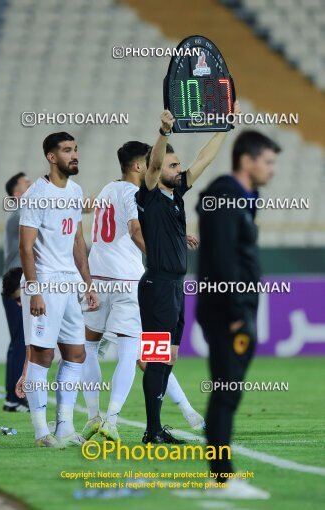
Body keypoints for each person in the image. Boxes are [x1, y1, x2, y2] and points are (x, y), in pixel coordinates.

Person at [81, 137, 205, 442]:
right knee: (142, 354)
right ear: (139, 165)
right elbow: (137, 230)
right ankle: (112, 420)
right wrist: (160, 254)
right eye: (149, 162)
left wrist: (174, 237)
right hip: (131, 280)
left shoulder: (109, 189)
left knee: (90, 348)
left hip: (98, 277)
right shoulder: (135, 193)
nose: (153, 166)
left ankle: (93, 416)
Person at [136, 104, 240, 444]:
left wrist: (224, 127)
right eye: (173, 165)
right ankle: (152, 431)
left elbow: (203, 160)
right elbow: (153, 165)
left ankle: (155, 427)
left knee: (169, 358)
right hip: (157, 286)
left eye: (179, 165)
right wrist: (164, 133)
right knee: (156, 358)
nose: (180, 170)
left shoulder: (176, 194)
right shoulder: (149, 195)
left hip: (175, 288)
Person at [196, 130, 280, 498]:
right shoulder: (222, 196)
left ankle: (222, 475)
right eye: (268, 161)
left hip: (241, 307)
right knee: (225, 392)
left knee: (229, 391)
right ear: (247, 160)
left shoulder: (247, 198)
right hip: (227, 309)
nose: (272, 170)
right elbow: (223, 258)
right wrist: (233, 310)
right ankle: (220, 478)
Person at [19, 131, 97, 448]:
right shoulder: (37, 194)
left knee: (76, 353)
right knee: (43, 354)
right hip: (45, 281)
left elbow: (78, 241)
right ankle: (41, 432)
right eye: (67, 150)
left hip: (69, 283)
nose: (74, 155)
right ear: (52, 157)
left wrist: (88, 283)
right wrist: (35, 290)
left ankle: (64, 427)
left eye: (75, 149)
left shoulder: (76, 191)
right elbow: (26, 248)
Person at [2, 172, 31, 412]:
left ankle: (13, 395)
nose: (31, 184)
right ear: (17, 194)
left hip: (18, 283)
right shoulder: (22, 214)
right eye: (26, 183)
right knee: (21, 340)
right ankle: (14, 396)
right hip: (16, 285)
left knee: (20, 340)